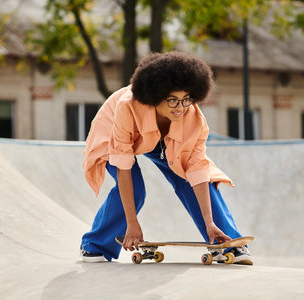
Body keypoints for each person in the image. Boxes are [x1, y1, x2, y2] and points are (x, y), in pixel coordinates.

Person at [80, 51, 252, 264]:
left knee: (201, 179)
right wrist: (131, 223)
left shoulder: (194, 118)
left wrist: (209, 221)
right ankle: (95, 244)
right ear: (155, 96)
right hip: (112, 134)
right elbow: (124, 166)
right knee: (135, 190)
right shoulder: (127, 107)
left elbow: (197, 170)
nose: (180, 108)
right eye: (172, 100)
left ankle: (226, 242)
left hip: (161, 142)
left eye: (186, 99)